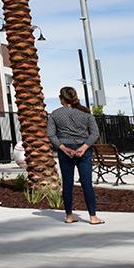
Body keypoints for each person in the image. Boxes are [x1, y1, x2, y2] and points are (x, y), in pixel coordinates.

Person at [48, 86, 104, 225]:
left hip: (65, 151)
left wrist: (63, 148)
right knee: (87, 184)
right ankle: (93, 217)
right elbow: (95, 134)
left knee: (67, 184)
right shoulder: (86, 113)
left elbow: (51, 135)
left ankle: (68, 216)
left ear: (62, 99)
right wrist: (84, 147)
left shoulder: (55, 114)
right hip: (83, 151)